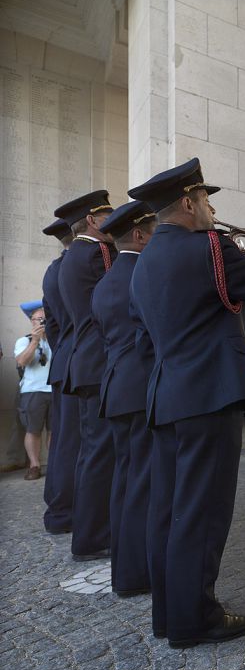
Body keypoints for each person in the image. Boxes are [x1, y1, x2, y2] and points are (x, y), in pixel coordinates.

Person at [128, 157, 245, 647]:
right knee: (203, 511)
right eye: (206, 199)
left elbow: (146, 342)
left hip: (166, 398)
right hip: (209, 394)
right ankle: (195, 619)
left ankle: (170, 614)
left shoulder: (142, 266)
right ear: (188, 201)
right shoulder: (210, 246)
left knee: (169, 510)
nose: (210, 208)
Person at [91, 201, 157, 596]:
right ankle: (138, 574)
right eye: (152, 231)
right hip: (140, 388)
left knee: (124, 483)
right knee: (144, 485)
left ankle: (125, 571)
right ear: (138, 235)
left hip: (115, 388)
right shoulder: (142, 275)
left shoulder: (105, 281)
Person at [53, 190, 117, 562]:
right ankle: (92, 537)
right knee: (99, 454)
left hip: (87, 361)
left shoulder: (74, 256)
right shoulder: (97, 253)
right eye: (109, 215)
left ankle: (91, 530)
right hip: (98, 362)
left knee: (92, 453)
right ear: (93, 220)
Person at [39, 219, 79, 533]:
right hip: (81, 363)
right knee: (73, 441)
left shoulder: (53, 270)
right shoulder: (79, 266)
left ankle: (59, 507)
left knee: (64, 441)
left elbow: (52, 325)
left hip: (64, 360)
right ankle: (64, 511)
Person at [14, 303, 52, 482]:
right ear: (32, 321)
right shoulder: (24, 340)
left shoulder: (56, 340)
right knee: (33, 430)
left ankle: (54, 464)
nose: (43, 322)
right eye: (40, 319)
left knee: (55, 430)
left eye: (46, 319)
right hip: (32, 391)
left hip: (55, 390)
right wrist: (35, 341)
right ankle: (34, 465)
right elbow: (22, 361)